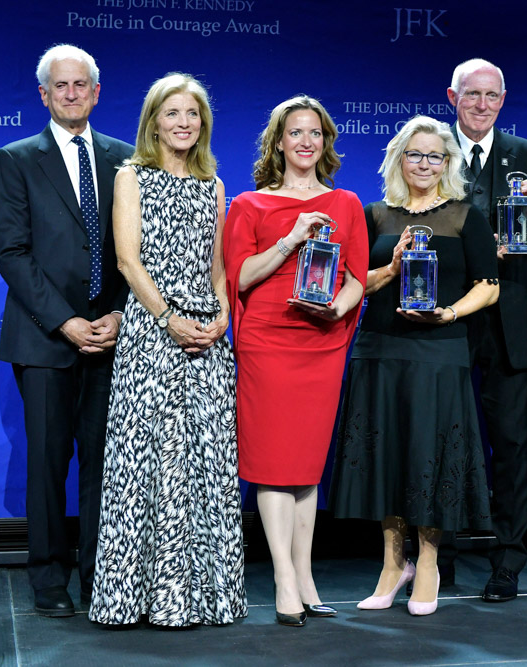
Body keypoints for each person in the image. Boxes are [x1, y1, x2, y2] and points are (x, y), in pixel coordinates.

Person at [88, 73, 246, 626]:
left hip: (207, 338)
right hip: (153, 336)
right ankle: (136, 599)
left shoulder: (214, 184)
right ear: (153, 120)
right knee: (150, 461)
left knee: (203, 462)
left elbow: (217, 265)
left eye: (193, 114)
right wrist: (168, 318)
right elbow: (128, 261)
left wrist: (222, 316)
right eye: (173, 113)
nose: (184, 123)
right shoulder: (130, 176)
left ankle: (202, 595)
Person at [331, 116, 499, 616]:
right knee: (386, 458)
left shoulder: (466, 216)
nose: (424, 164)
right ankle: (391, 563)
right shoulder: (374, 214)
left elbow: (488, 286)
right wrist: (392, 267)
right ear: (398, 159)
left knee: (432, 456)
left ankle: (428, 563)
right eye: (415, 154)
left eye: (435, 156)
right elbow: (351, 281)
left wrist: (448, 311)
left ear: (447, 164)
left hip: (440, 351)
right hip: (380, 350)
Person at [0, 44, 133, 618]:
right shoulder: (16, 158)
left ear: (96, 93)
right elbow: (13, 253)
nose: (71, 94)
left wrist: (121, 314)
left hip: (112, 338)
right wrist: (67, 321)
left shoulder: (126, 160)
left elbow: (136, 253)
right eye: (61, 86)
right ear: (44, 94)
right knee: (48, 464)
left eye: (81, 85)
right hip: (45, 339)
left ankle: (102, 579)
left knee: (103, 465)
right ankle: (49, 578)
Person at [223, 96, 368, 627]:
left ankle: (306, 576)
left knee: (305, 467)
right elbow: (239, 278)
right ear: (278, 142)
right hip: (268, 339)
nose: (305, 142)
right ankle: (283, 577)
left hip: (322, 341)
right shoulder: (249, 204)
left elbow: (356, 278)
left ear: (325, 142)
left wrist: (338, 307)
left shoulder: (347, 203)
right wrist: (290, 239)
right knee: (272, 464)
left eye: (315, 134)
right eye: (295, 133)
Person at [444, 58, 527, 602]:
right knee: (444, 440)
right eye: (472, 95)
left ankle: (508, 559)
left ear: (503, 100)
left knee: (511, 445)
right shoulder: (428, 149)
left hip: (511, 319)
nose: (482, 104)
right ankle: (434, 558)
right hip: (449, 318)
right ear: (453, 96)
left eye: (492, 96)